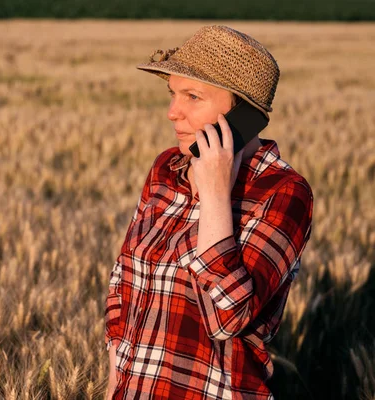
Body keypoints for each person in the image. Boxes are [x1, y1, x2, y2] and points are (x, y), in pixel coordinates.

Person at [104, 25, 314, 399]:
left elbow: (228, 318)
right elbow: (124, 286)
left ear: (244, 115)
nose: (172, 113)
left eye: (193, 97)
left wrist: (215, 195)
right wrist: (113, 386)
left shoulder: (284, 193)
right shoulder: (166, 170)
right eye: (172, 94)